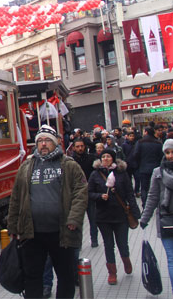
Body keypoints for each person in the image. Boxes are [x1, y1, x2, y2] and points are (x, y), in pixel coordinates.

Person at [7, 125, 88, 299]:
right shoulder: (26, 166)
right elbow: (16, 198)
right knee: (32, 277)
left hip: (62, 232)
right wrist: (13, 227)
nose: (43, 144)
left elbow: (80, 193)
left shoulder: (69, 165)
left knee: (65, 276)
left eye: (47, 141)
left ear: (55, 143)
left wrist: (74, 219)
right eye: (40, 141)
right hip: (32, 234)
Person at [140, 139, 173, 299]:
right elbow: (152, 197)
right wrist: (144, 218)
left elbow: (152, 197)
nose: (170, 156)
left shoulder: (159, 172)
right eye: (167, 152)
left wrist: (145, 218)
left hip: (171, 223)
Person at [87, 149, 140, 285]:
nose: (105, 159)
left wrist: (135, 212)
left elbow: (129, 193)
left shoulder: (121, 173)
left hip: (120, 215)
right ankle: (112, 272)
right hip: (103, 216)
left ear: (113, 159)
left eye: (108, 156)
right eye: (103, 156)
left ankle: (126, 261)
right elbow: (89, 193)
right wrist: (99, 196)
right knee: (108, 244)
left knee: (122, 243)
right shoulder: (95, 174)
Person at [71, 138, 98, 248]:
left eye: (81, 146)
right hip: (77, 195)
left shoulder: (92, 158)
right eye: (77, 146)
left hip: (90, 193)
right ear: (73, 148)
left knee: (93, 219)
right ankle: (78, 242)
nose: (80, 148)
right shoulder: (70, 161)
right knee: (77, 220)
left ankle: (94, 240)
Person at [131, 127, 163, 206]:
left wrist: (139, 163)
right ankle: (157, 203)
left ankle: (145, 204)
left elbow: (135, 154)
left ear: (145, 132)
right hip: (156, 168)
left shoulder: (140, 142)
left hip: (143, 168)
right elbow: (161, 156)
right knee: (156, 187)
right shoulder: (158, 143)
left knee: (144, 188)